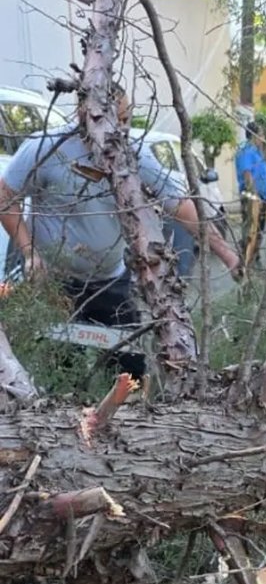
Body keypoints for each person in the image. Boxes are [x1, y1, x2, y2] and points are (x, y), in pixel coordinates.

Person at [0, 87, 241, 377]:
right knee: (62, 370)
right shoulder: (46, 147)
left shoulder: (132, 153)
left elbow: (182, 207)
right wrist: (30, 253)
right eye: (116, 119)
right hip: (54, 284)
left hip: (109, 282)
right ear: (84, 113)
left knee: (131, 368)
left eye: (125, 119)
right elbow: (5, 197)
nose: (122, 128)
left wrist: (228, 255)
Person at [235, 122, 266, 268]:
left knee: (259, 228)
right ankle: (247, 260)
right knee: (252, 228)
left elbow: (264, 175)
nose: (263, 138)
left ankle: (254, 257)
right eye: (261, 134)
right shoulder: (246, 152)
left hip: (262, 195)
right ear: (254, 135)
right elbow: (247, 175)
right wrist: (256, 198)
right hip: (252, 196)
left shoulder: (258, 152)